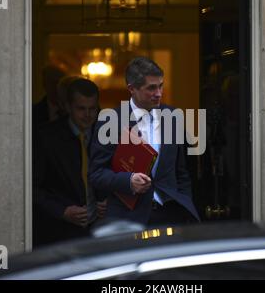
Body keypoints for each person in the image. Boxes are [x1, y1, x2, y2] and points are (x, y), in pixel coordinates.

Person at [89, 57, 200, 227]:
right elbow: (96, 174)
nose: (159, 93)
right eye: (151, 88)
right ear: (132, 89)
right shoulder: (111, 120)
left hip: (170, 216)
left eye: (161, 85)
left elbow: (182, 172)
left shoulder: (172, 116)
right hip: (128, 218)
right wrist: (128, 181)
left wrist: (185, 205)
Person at [33, 77, 106, 247]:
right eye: (81, 109)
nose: (88, 115)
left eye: (92, 109)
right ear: (67, 107)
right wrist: (62, 211)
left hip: (101, 233)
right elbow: (31, 189)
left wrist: (111, 201)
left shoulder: (108, 135)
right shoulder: (46, 138)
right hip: (59, 235)